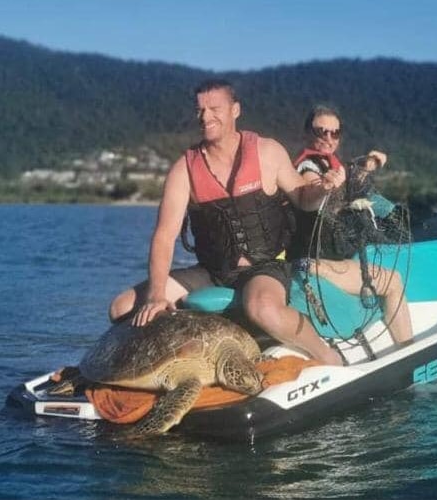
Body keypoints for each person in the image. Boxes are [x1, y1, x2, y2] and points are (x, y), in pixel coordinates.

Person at [108, 80, 345, 365]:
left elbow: (304, 198)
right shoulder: (184, 169)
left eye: (214, 109)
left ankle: (328, 357)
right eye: (200, 110)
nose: (206, 117)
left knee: (262, 307)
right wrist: (156, 295)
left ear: (235, 110)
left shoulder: (267, 151)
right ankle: (157, 364)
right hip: (213, 270)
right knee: (120, 308)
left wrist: (322, 188)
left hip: (265, 265)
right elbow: (164, 236)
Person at [288, 104, 413, 345]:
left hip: (319, 261)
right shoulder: (308, 170)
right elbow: (317, 194)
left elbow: (347, 187)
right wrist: (323, 187)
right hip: (312, 265)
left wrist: (368, 166)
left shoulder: (330, 166)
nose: (328, 138)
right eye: (320, 131)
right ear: (307, 133)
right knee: (394, 280)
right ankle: (408, 350)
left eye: (334, 133)